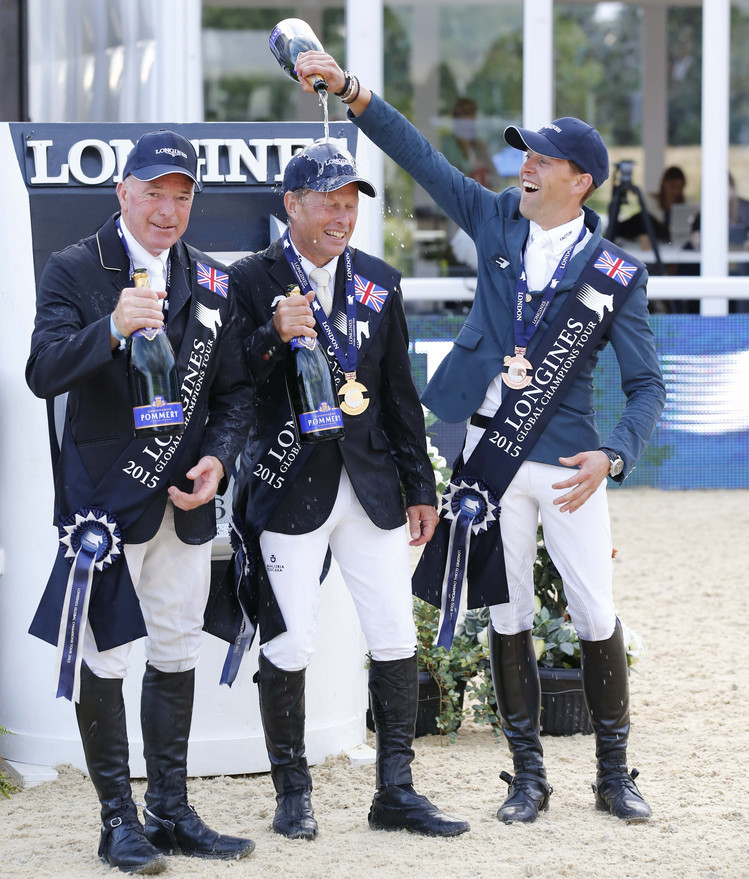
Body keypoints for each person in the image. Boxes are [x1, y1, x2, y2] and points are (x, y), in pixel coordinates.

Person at [293, 52, 666, 825]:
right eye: (522, 154)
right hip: (487, 465)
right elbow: (419, 156)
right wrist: (355, 92)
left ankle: (611, 771)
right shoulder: (495, 216)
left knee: (595, 615)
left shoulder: (612, 273)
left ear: (579, 182)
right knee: (508, 616)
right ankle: (526, 774)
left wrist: (616, 452)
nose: (522, 166)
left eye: (540, 158)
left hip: (567, 464)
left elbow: (646, 386)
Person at [26, 130, 255, 874]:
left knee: (178, 648)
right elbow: (43, 371)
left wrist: (220, 456)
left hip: (184, 503)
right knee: (108, 655)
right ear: (121, 191)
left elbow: (234, 394)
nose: (167, 208)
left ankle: (172, 808)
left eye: (181, 195)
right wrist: (112, 328)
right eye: (153, 191)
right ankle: (116, 821)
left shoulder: (213, 283)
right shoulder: (74, 268)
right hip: (104, 503)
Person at [227, 140, 470, 841]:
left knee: (394, 631)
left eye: (350, 203)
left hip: (371, 488)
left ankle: (395, 789)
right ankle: (292, 794)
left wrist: (420, 485)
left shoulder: (379, 280)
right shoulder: (248, 279)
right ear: (291, 205)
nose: (341, 216)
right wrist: (273, 336)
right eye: (327, 202)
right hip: (285, 484)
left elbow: (397, 394)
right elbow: (229, 384)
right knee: (290, 642)